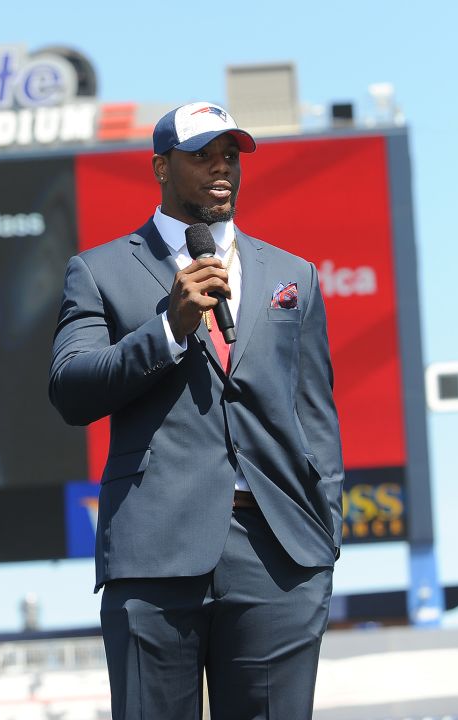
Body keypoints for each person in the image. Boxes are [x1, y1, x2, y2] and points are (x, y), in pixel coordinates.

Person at [48, 101, 345, 718]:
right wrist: (168, 329)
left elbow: (316, 415)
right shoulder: (99, 271)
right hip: (155, 550)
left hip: (279, 554)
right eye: (202, 155)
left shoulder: (294, 275)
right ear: (160, 166)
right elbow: (71, 389)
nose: (221, 169)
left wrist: (325, 534)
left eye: (230, 156)